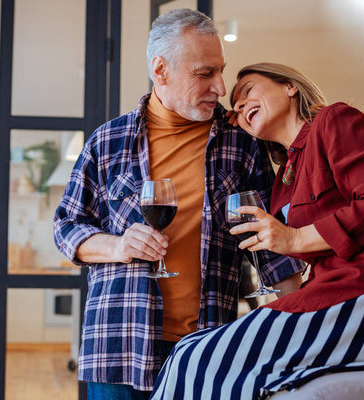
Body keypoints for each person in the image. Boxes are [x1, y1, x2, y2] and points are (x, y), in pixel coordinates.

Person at [53, 11, 304, 399]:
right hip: (118, 345)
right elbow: (66, 226)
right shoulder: (107, 142)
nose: (221, 86)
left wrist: (305, 324)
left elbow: (271, 248)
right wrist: (118, 246)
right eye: (205, 74)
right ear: (160, 70)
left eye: (221, 70)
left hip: (206, 349)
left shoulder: (242, 144)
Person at [150, 63, 364, 400]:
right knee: (191, 351)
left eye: (248, 90)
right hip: (330, 289)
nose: (239, 105)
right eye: (235, 105)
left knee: (193, 358)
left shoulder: (335, 120)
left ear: (290, 87)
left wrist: (293, 239)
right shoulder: (284, 181)